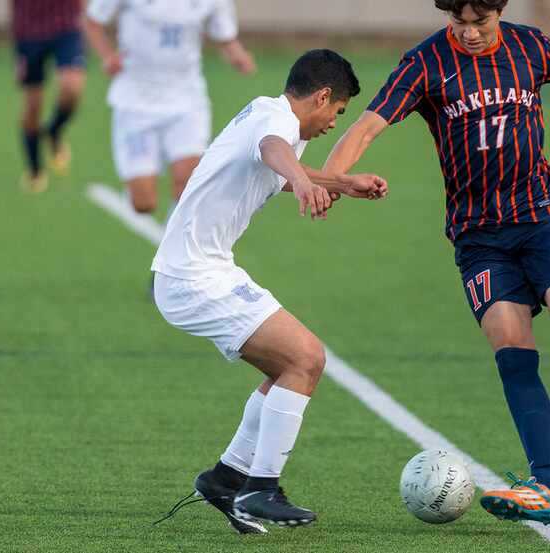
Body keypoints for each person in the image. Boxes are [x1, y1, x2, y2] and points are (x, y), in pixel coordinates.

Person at [324, 0, 550, 527]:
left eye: (480, 22)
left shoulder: (530, 47)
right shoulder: (425, 63)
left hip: (541, 219)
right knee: (515, 357)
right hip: (479, 238)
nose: (469, 34)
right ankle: (548, 487)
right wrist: (332, 181)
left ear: (499, 12)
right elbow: (365, 127)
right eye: (459, 23)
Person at [151, 50, 388, 534]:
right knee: (307, 359)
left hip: (208, 271)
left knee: (289, 369)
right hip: (193, 277)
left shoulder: (273, 121)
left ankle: (225, 479)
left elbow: (274, 168)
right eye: (337, 112)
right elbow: (273, 153)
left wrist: (342, 182)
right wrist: (302, 180)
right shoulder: (272, 119)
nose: (332, 123)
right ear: (323, 96)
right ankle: (261, 488)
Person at [83, 0, 256, 217]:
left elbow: (224, 35)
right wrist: (108, 57)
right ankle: (139, 186)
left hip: (186, 100)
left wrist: (237, 55)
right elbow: (93, 20)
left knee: (188, 186)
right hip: (136, 101)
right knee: (143, 203)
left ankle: (175, 247)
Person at [12, 0, 86, 193]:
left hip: (66, 25)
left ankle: (53, 130)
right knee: (33, 105)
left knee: (71, 88)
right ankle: (35, 167)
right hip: (29, 30)